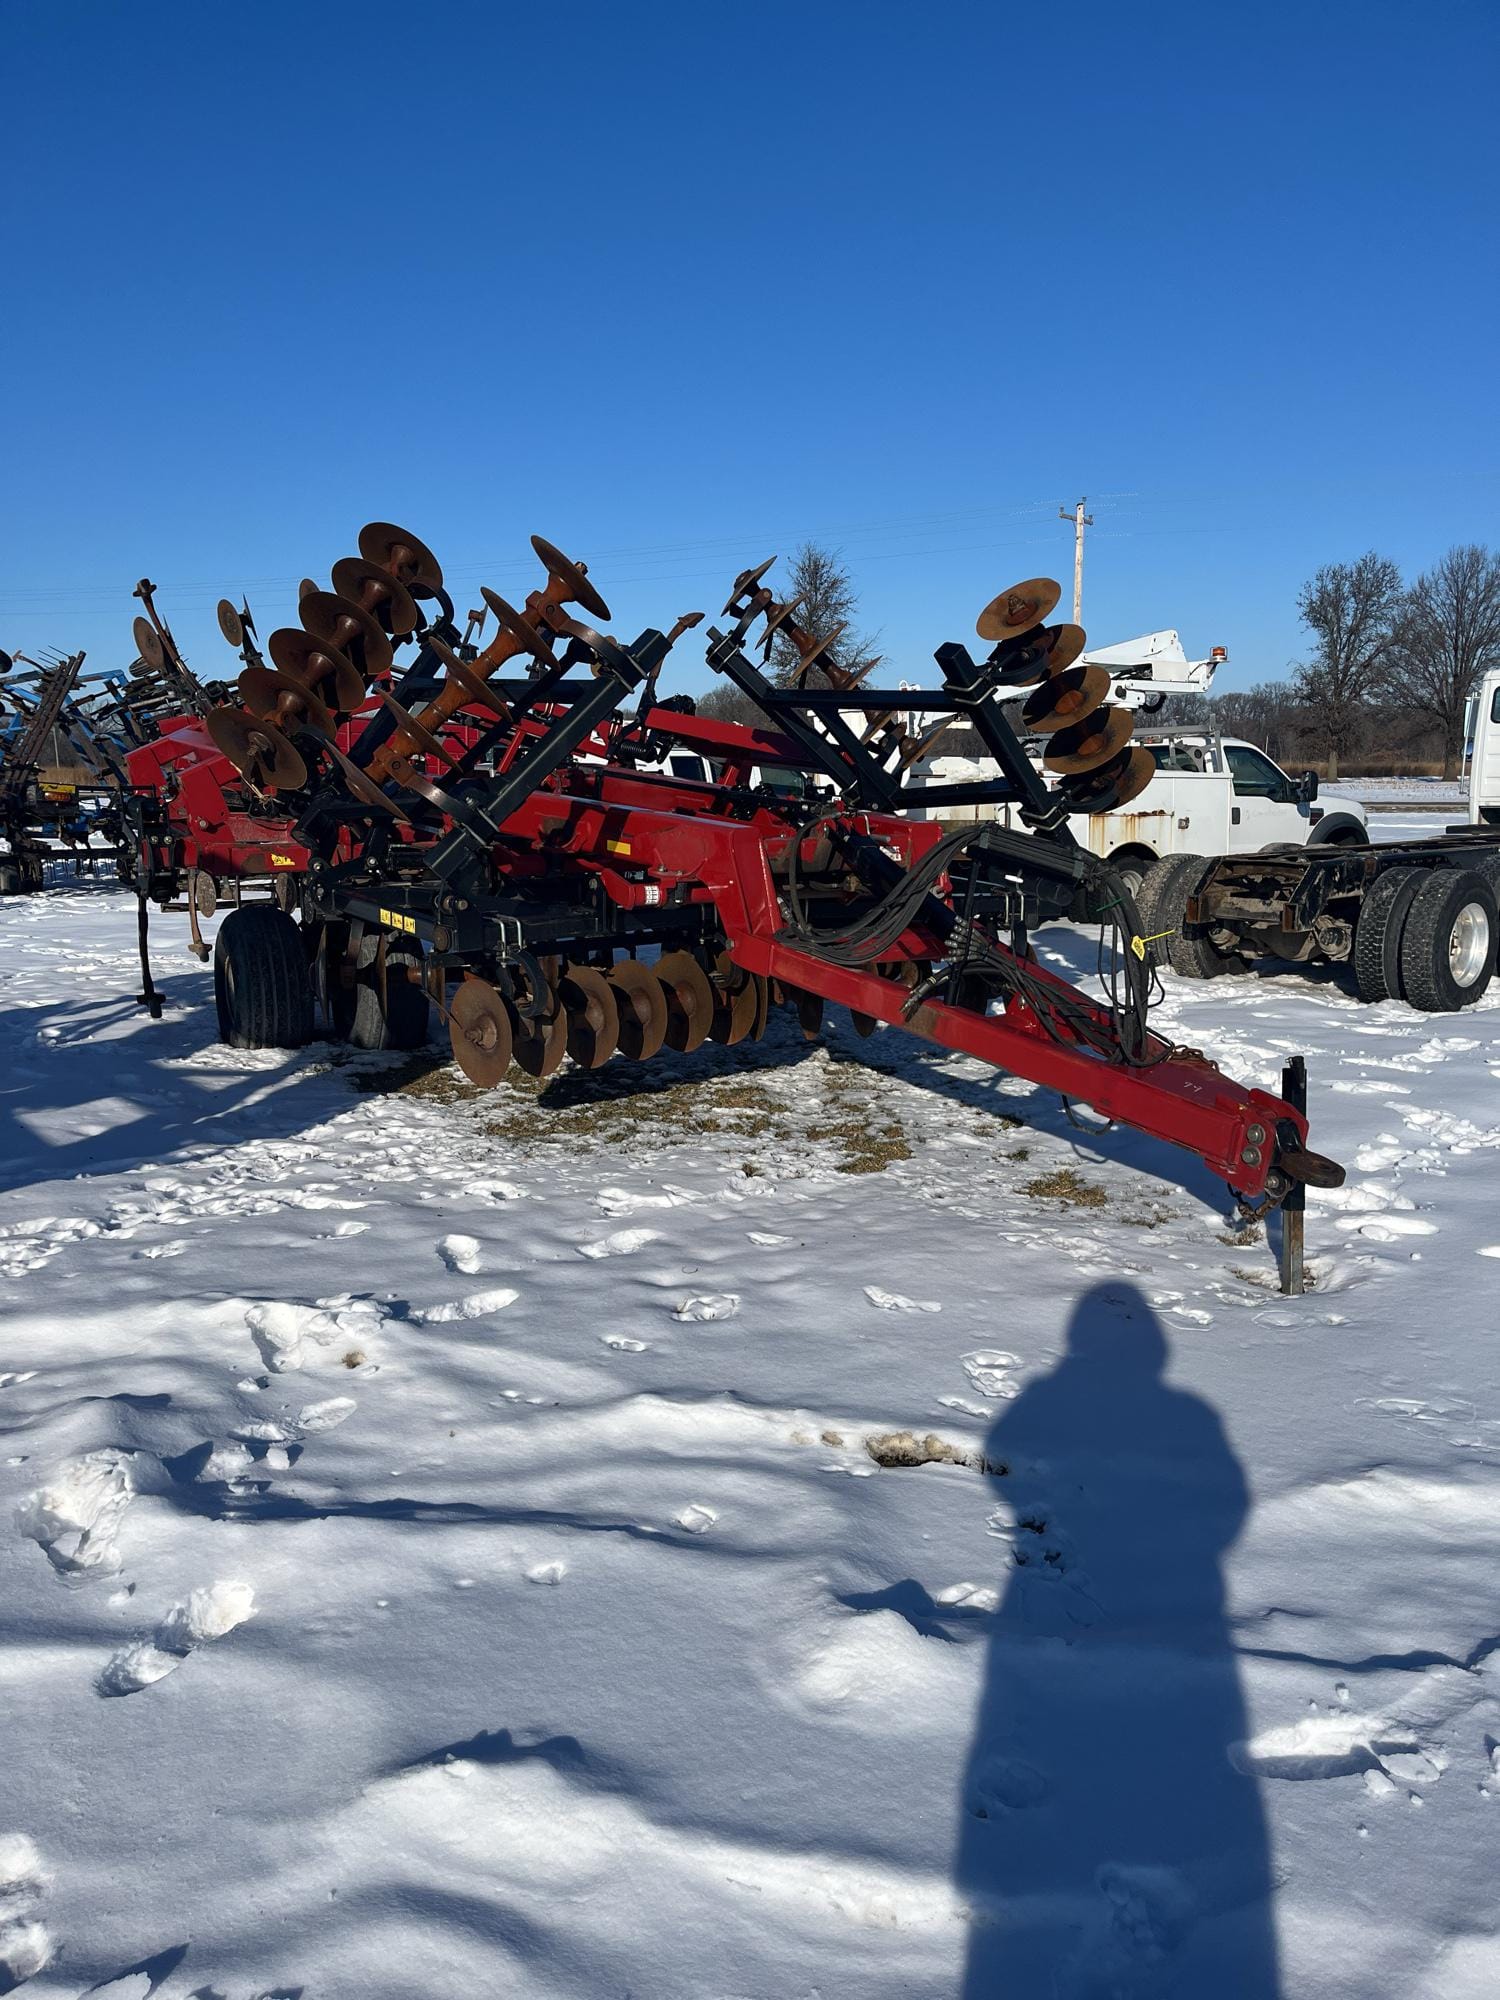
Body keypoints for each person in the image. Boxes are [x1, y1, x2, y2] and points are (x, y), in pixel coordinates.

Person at [956, 1282, 1279, 1997]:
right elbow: (1229, 1503)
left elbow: (1004, 1450)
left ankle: (1087, 1829)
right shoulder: (1188, 1413)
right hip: (1180, 1599)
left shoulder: (1047, 1402)